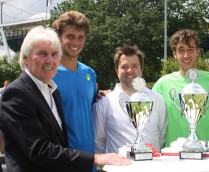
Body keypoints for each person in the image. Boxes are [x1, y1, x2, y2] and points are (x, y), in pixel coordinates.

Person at [0, 26, 131, 172]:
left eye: (55, 54)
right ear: (25, 58)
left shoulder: (52, 91)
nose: (50, 60)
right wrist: (95, 158)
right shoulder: (16, 93)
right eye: (42, 53)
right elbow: (40, 150)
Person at [152, 29, 209, 149]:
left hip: (208, 156)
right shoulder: (163, 84)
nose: (186, 55)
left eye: (190, 49)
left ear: (198, 51)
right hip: (174, 157)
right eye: (181, 50)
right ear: (174, 54)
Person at [93, 45, 167, 153]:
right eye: (124, 66)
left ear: (141, 69)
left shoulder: (157, 99)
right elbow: (98, 141)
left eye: (134, 66)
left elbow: (162, 135)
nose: (129, 70)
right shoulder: (104, 102)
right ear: (116, 70)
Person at [52, 11, 97, 171]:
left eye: (81, 37)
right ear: (58, 36)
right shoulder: (48, 74)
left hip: (90, 161)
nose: (76, 42)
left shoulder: (90, 74)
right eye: (70, 36)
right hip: (61, 162)